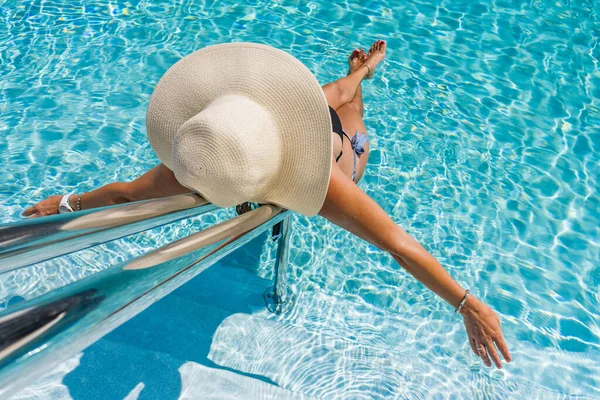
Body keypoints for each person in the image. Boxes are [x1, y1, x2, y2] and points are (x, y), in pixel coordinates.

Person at [23, 41, 512, 369]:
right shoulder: (220, 162)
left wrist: (66, 203)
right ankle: (360, 77)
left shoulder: (209, 173)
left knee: (347, 108)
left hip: (326, 146)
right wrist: (63, 205)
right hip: (320, 148)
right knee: (346, 106)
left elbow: (128, 192)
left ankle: (362, 75)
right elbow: (396, 243)